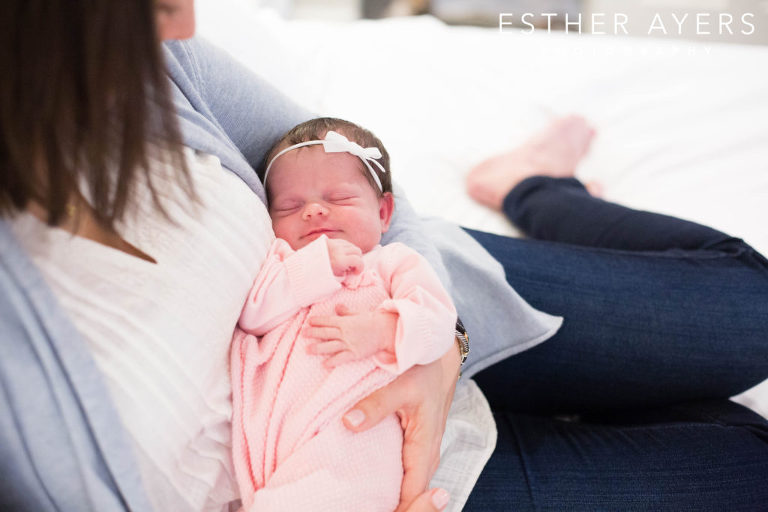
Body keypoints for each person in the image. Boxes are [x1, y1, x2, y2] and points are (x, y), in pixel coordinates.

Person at [1, 1, 766, 511]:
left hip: (415, 309)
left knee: (752, 311)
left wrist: (440, 348)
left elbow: (345, 161)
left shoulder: (150, 72)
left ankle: (534, 185)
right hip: (360, 484)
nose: (187, 20)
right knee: (743, 463)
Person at [231, 118, 456, 511]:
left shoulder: (393, 263)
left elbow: (439, 322)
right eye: (290, 205)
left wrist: (382, 330)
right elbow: (252, 315)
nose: (314, 211)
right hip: (279, 437)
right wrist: (316, 266)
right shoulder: (281, 263)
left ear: (384, 212)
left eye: (339, 198)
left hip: (357, 432)